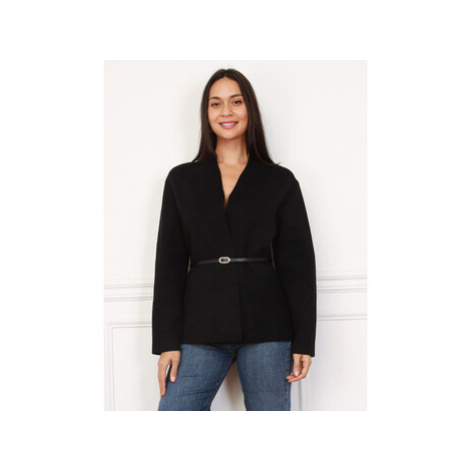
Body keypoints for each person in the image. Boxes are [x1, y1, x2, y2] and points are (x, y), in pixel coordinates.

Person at [152, 68, 317, 411]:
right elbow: (169, 265)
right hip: (200, 326)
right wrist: (167, 341)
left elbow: (298, 267)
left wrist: (304, 340)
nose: (226, 111)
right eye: (216, 103)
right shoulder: (181, 180)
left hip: (268, 326)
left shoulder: (279, 181)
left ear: (249, 109)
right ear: (206, 113)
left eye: (236, 101)